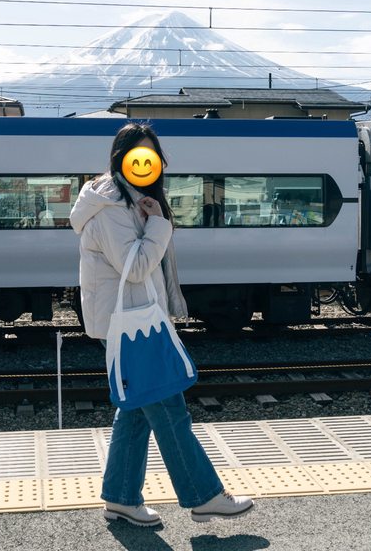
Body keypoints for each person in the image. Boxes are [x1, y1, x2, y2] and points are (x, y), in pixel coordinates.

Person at [70, 122, 254, 527]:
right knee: (169, 408)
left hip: (136, 318)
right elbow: (135, 267)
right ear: (121, 160)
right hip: (128, 323)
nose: (145, 166)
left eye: (151, 158)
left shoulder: (131, 199)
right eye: (138, 157)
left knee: (137, 411)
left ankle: (120, 498)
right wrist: (159, 224)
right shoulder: (111, 206)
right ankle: (204, 496)